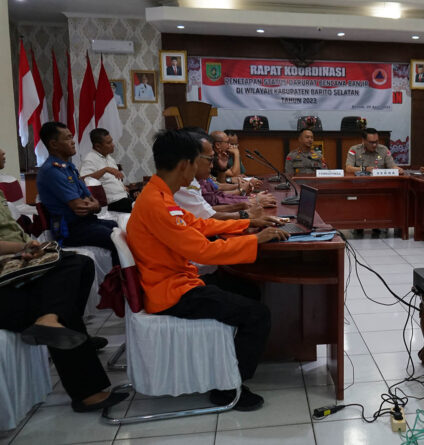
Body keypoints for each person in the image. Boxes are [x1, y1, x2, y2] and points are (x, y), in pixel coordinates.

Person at [127, 129, 290, 411]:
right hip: (172, 293)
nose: (208, 166)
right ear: (184, 164)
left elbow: (201, 225)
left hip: (178, 281)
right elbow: (202, 250)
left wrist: (248, 225)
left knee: (249, 290)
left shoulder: (162, 195)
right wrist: (254, 240)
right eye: (199, 160)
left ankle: (227, 361)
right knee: (257, 314)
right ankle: (229, 388)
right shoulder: (157, 204)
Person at [0, 147, 125, 413]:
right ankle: (86, 390)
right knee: (59, 288)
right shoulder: (53, 171)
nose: (2, 151)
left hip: (16, 263)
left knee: (78, 263)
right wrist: (22, 249)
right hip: (7, 274)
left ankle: (52, 320)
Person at [37, 122, 119, 264]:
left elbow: (92, 201)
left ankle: (127, 278)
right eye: (68, 138)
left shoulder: (69, 168)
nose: (73, 142)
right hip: (69, 229)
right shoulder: (52, 171)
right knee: (116, 239)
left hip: (86, 222)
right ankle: (120, 282)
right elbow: (79, 206)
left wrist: (94, 205)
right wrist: (93, 205)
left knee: (120, 228)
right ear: (54, 144)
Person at [174, 132, 277, 220]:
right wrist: (244, 198)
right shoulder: (184, 184)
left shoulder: (193, 178)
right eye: (228, 142)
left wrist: (245, 202)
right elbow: (212, 202)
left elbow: (216, 189)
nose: (212, 164)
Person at [79, 128, 134, 213]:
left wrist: (122, 187)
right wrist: (105, 170)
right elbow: (82, 180)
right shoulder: (90, 159)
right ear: (97, 146)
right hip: (112, 203)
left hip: (124, 197)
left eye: (111, 141)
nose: (113, 145)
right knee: (143, 207)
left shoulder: (109, 158)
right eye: (109, 143)